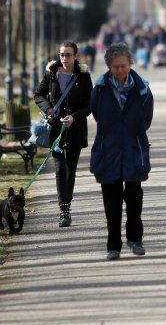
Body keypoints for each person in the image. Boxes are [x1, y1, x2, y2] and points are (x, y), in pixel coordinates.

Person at [90, 42, 154, 260]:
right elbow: (97, 114)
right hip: (108, 150)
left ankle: (135, 239)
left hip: (133, 149)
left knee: (134, 197)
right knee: (111, 199)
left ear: (130, 64)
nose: (120, 70)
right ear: (109, 66)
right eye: (115, 66)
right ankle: (113, 245)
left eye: (123, 66)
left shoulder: (142, 88)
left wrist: (130, 131)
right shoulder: (100, 89)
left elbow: (147, 119)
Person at [33, 40, 94, 228]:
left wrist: (75, 117)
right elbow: (38, 95)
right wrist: (50, 111)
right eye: (62, 55)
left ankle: (67, 205)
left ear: (75, 56)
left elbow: (90, 104)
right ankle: (63, 211)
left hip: (75, 130)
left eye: (68, 55)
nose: (64, 58)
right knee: (61, 169)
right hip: (55, 130)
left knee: (71, 171)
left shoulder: (83, 76)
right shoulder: (51, 73)